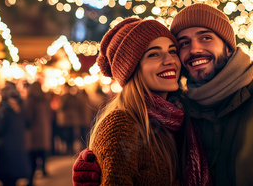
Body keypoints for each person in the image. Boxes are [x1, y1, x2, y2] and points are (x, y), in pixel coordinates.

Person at [74, 3, 253, 185]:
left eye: (206, 37)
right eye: (183, 43)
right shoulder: (180, 113)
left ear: (228, 47)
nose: (194, 49)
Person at [82, 17, 211, 185]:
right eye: (154, 54)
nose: (170, 60)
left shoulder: (178, 118)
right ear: (132, 69)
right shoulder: (121, 125)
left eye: (172, 51)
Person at [0, 81, 31, 186]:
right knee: (14, 179)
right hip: (18, 146)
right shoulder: (21, 107)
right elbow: (28, 123)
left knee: (6, 179)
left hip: (6, 148)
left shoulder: (3, 109)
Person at [24, 81, 52, 185]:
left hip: (33, 132)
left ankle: (31, 179)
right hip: (44, 130)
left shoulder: (31, 98)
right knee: (42, 152)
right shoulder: (45, 98)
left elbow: (28, 115)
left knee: (32, 156)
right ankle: (43, 169)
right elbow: (49, 113)